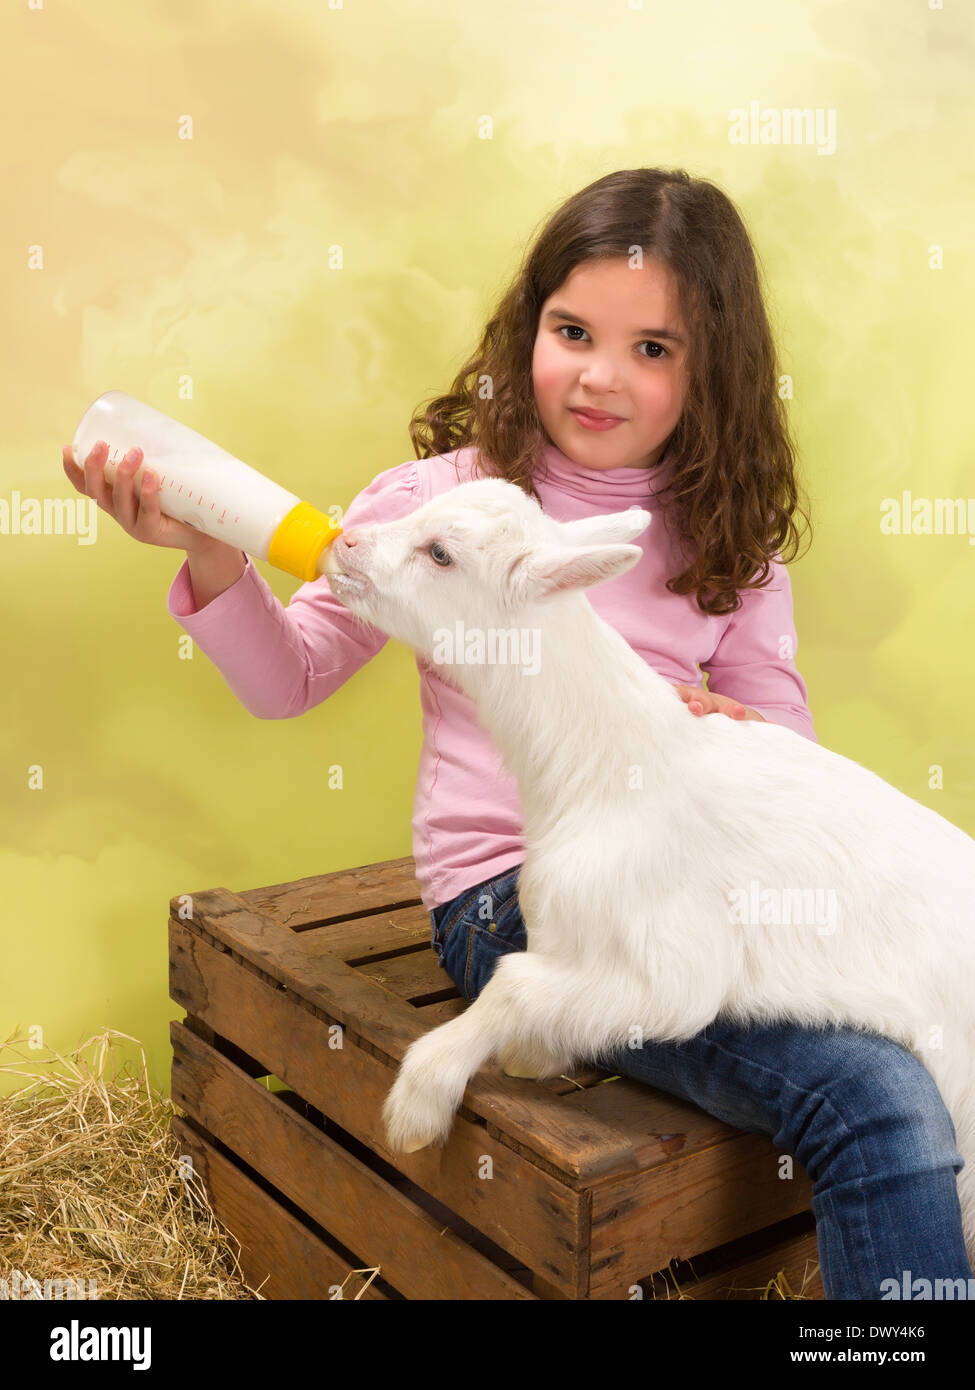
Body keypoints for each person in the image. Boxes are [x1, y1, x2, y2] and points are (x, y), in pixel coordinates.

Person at [63, 166, 971, 1301]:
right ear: (527, 324)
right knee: (872, 1094)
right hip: (515, 904)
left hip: (698, 891)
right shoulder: (433, 508)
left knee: (924, 1046)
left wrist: (737, 725)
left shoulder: (726, 540)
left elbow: (783, 741)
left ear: (712, 369)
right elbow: (292, 675)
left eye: (653, 349)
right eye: (573, 329)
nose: (600, 375)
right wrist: (210, 555)